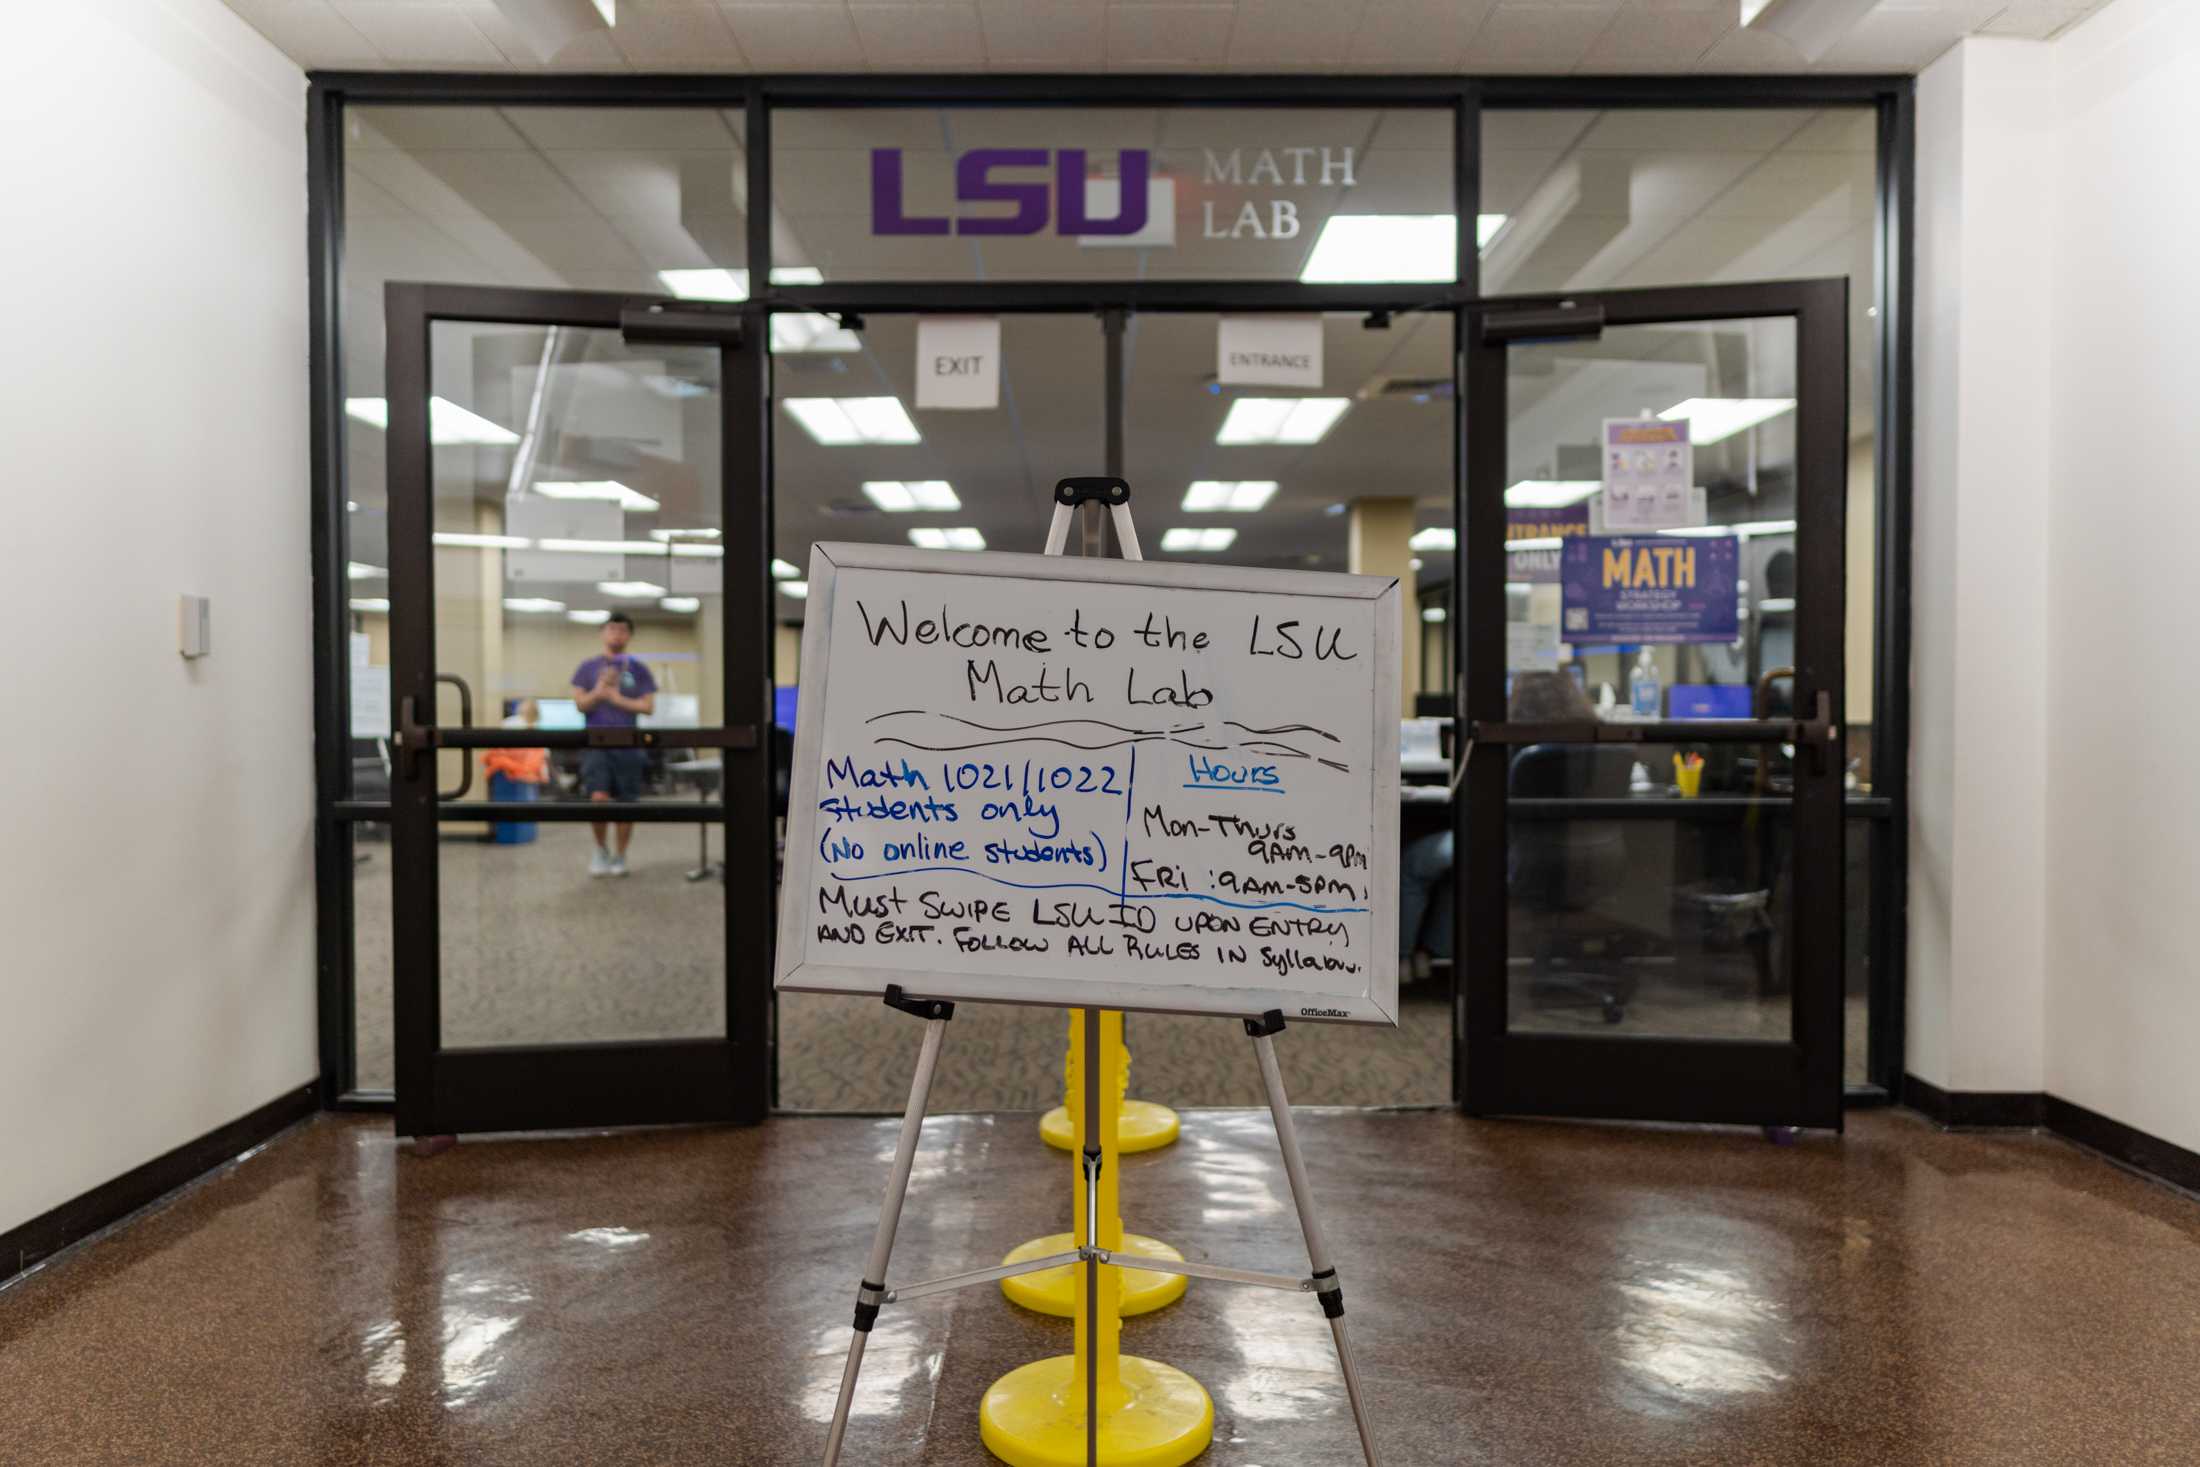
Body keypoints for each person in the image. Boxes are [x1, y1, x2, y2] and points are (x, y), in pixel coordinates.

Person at [1396, 669, 1605, 975]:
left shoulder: (1510, 739)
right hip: (1590, 852)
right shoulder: (1594, 738)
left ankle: (1401, 959)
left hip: (1508, 848)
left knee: (1416, 863)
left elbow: (1475, 796)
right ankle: (1435, 953)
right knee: (1454, 872)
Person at [572, 613, 656, 877]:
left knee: (626, 803)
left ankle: (620, 855)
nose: (617, 634)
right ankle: (600, 850)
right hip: (596, 744)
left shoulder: (639, 669)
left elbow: (648, 706)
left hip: (629, 745)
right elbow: (580, 704)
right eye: (612, 629)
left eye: (622, 630)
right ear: (602, 632)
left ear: (629, 635)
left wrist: (616, 698)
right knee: (598, 799)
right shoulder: (587, 668)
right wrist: (599, 691)